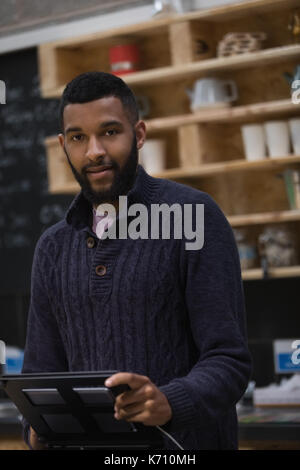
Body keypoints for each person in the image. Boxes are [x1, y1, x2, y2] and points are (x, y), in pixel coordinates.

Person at [22, 71, 252, 450]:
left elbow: (229, 360)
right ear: (64, 145)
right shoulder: (53, 247)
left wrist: (168, 402)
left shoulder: (192, 216)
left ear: (139, 134)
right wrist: (35, 430)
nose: (94, 150)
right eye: (78, 137)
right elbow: (39, 379)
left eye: (110, 132)